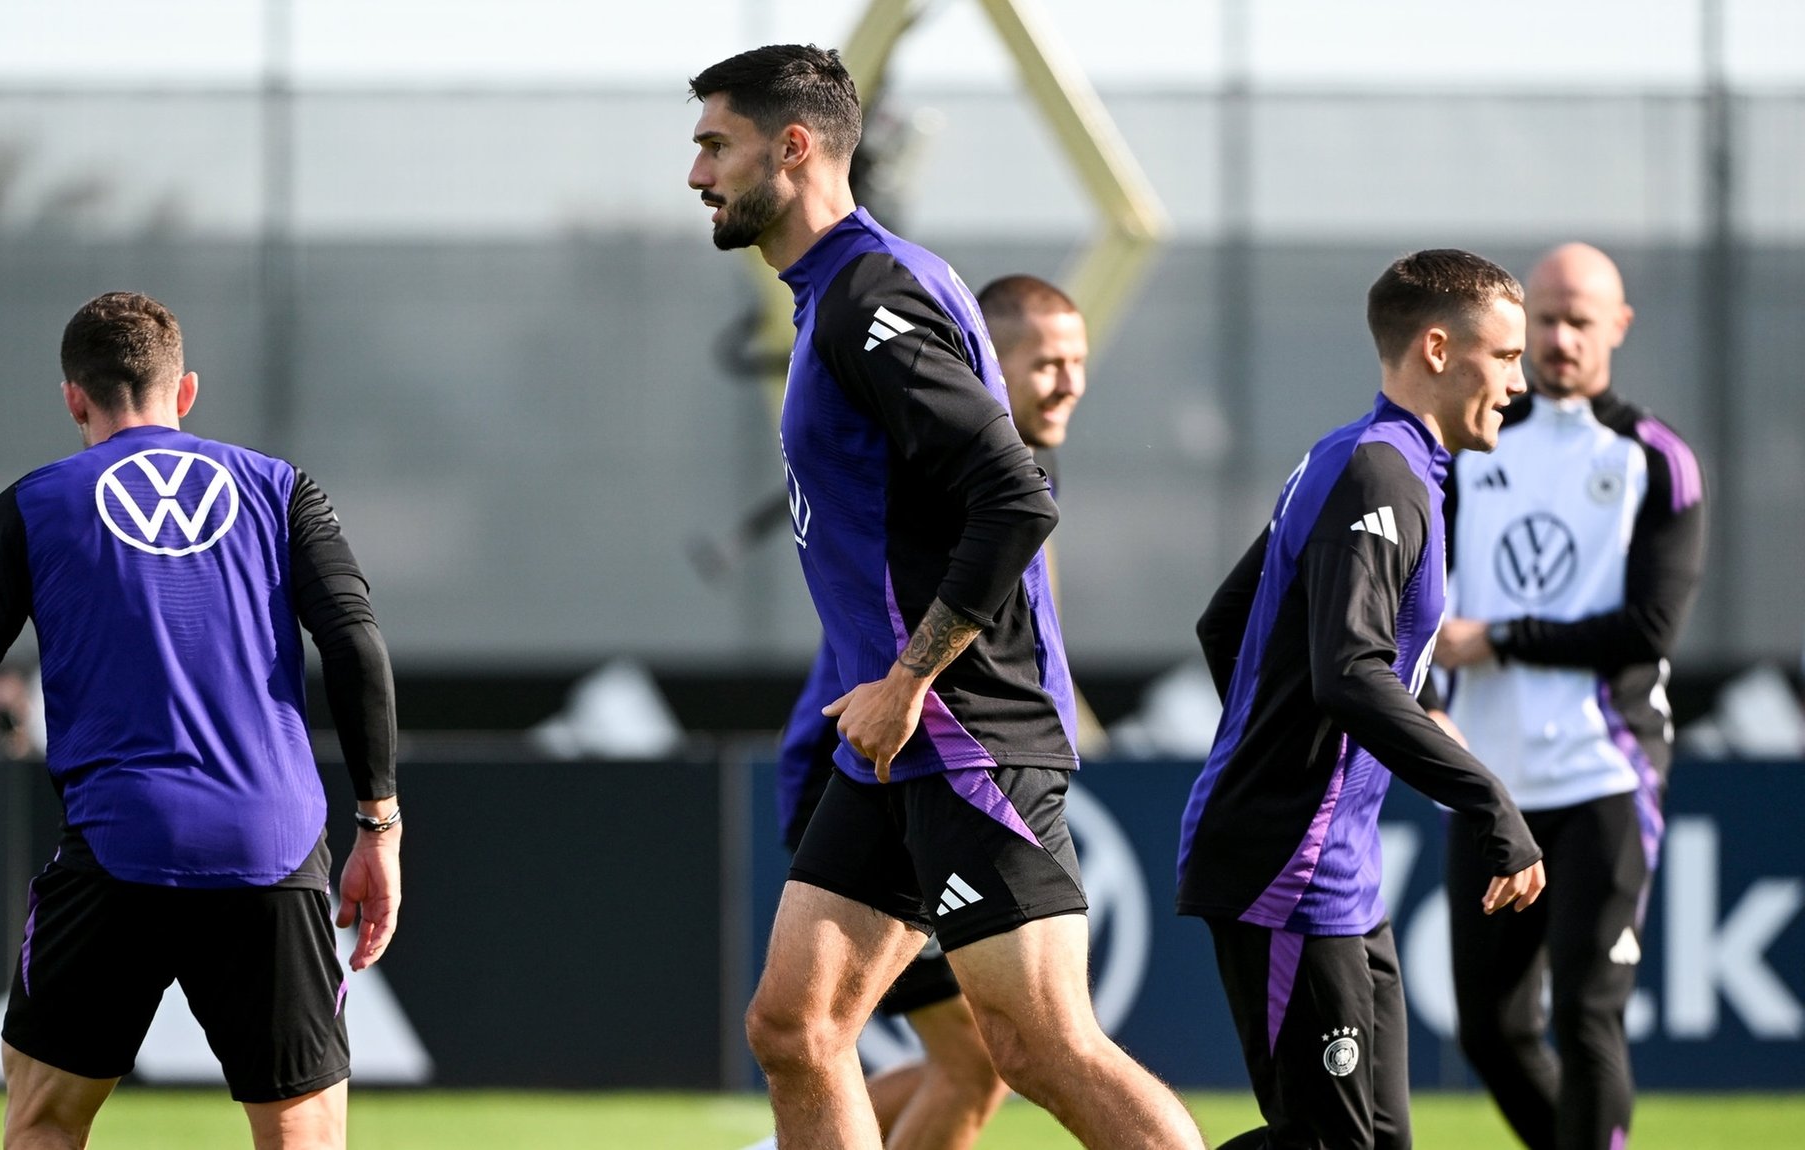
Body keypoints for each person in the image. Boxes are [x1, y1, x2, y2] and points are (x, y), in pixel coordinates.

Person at [689, 45, 1202, 1150]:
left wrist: (908, 678)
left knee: (1037, 1048)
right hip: (893, 744)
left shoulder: (872, 292)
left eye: (713, 145)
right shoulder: (831, 292)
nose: (696, 175)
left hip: (960, 729)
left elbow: (1013, 498)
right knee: (794, 1025)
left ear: (793, 147)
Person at [0, 292, 401, 1150]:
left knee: (44, 1121)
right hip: (272, 844)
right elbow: (357, 646)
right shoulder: (280, 489)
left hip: (119, 850)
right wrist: (381, 826)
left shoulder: (31, 506)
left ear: (74, 397)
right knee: (303, 1136)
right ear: (184, 393)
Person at [1183, 249, 1549, 1150]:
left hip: (1333, 867)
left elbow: (1227, 626)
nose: (1517, 382)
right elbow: (1349, 671)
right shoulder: (1378, 474)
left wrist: (1291, 742)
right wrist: (1486, 796)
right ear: (1435, 348)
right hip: (1288, 868)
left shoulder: (1361, 460)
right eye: (1503, 357)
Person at [760, 275, 1092, 1150]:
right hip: (876, 769)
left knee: (982, 1058)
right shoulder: (945, 481)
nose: (1068, 382)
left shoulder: (1010, 483)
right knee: (989, 1057)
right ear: (987, 362)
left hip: (936, 760)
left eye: (1080, 362)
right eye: (1047, 361)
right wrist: (912, 685)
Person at [1433, 243, 1705, 1150]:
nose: (1557, 338)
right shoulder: (1470, 445)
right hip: (1490, 780)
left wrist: (1503, 638)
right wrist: (1430, 685)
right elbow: (1427, 598)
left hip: (1605, 773)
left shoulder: (1654, 459)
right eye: (1542, 318)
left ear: (1617, 326)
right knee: (1492, 1029)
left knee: (1589, 1015)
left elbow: (1650, 629)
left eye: (1579, 319)